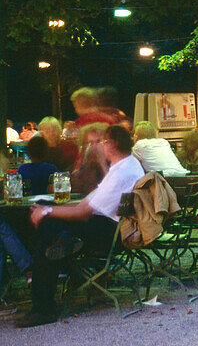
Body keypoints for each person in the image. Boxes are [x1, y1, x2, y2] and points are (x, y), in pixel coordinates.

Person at [19, 124, 144, 327]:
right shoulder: (127, 165)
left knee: (45, 236)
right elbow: (87, 202)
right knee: (49, 234)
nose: (99, 146)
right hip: (109, 225)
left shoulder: (121, 172)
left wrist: (46, 211)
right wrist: (48, 208)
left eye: (102, 142)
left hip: (109, 232)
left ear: (111, 144)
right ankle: (63, 241)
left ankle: (43, 309)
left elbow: (84, 212)